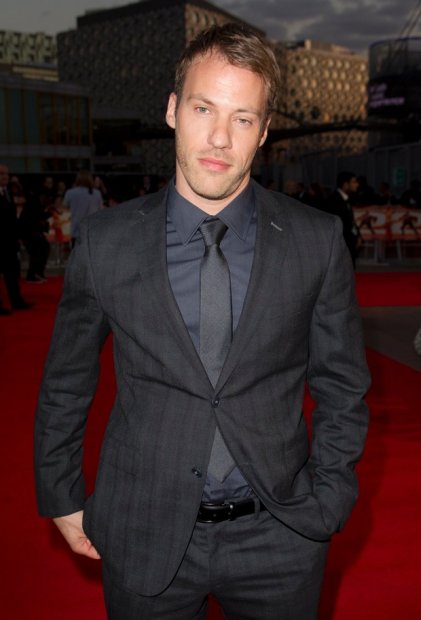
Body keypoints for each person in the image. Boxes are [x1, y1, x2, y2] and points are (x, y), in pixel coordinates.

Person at [34, 24, 370, 620]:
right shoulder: (107, 242)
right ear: (172, 110)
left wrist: (329, 494)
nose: (219, 137)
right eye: (203, 108)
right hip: (143, 526)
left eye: (242, 118)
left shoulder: (315, 241)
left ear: (264, 131)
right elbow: (67, 380)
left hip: (281, 536)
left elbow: (342, 383)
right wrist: (59, 493)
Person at [0, 163, 32, 312]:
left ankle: (17, 301)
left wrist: (18, 237)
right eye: (1, 174)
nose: (5, 176)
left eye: (7, 173)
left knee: (12, 273)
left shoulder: (8, 192)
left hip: (10, 241)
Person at [324, 171, 360, 268]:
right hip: (340, 245)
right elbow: (339, 224)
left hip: (347, 243)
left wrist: (356, 235)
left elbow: (350, 221)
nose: (357, 184)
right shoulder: (334, 200)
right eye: (354, 182)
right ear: (345, 185)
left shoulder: (346, 199)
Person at [62, 170, 103, 246]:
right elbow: (100, 210)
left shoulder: (70, 192)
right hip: (92, 230)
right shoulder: (97, 193)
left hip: (76, 229)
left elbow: (64, 207)